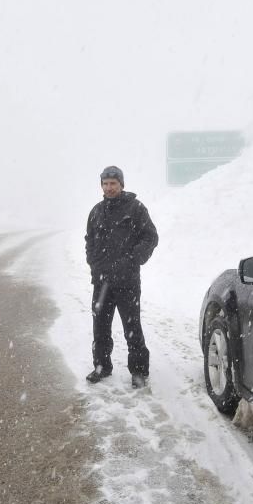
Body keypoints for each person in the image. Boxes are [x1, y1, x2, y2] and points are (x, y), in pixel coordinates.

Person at [84, 165, 159, 388]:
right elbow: (90, 240)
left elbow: (150, 237)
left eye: (113, 184)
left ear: (121, 185)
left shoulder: (135, 208)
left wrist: (133, 259)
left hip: (127, 282)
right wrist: (94, 263)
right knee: (100, 327)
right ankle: (101, 366)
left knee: (132, 328)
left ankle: (138, 372)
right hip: (102, 282)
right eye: (105, 184)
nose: (109, 188)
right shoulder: (96, 211)